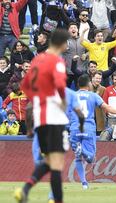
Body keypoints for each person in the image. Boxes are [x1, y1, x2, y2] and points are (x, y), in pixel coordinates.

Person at [15, 29, 72, 203]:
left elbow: (24, 86)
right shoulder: (57, 61)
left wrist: (38, 102)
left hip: (40, 117)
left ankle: (25, 190)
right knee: (57, 163)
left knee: (49, 160)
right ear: (62, 43)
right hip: (54, 116)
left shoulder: (37, 59)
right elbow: (60, 84)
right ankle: (57, 200)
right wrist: (62, 100)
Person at [69, 74, 116, 189]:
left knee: (77, 157)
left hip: (75, 128)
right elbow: (108, 108)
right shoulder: (93, 96)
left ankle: (84, 183)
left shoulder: (72, 96)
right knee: (90, 158)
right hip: (88, 128)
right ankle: (84, 153)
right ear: (88, 84)